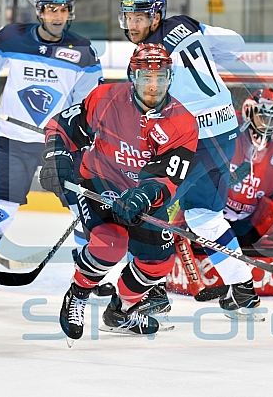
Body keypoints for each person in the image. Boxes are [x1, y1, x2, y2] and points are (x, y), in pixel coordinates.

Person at [0, 0, 103, 305]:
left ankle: (88, 276)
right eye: (52, 9)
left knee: (85, 211)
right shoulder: (12, 37)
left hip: (59, 144)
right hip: (14, 140)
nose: (58, 16)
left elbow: (91, 101)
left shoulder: (83, 52)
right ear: (39, 11)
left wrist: (83, 128)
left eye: (63, 10)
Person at [39, 43, 198, 343]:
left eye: (160, 77)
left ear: (170, 78)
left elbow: (167, 176)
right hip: (100, 182)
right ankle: (78, 294)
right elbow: (63, 126)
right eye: (145, 77)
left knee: (158, 263)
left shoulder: (183, 123)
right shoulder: (106, 98)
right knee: (110, 245)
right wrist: (56, 156)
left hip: (145, 196)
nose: (153, 86)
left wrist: (143, 196)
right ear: (132, 75)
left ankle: (121, 311)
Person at [118, 0, 261, 314]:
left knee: (143, 207)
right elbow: (236, 44)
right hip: (226, 132)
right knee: (204, 216)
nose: (132, 26)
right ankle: (243, 288)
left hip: (193, 140)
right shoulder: (188, 24)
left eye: (139, 18)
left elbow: (146, 108)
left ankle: (149, 291)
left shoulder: (149, 56)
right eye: (128, 18)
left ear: (156, 16)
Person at [224, 88, 273, 251]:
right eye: (262, 118)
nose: (266, 126)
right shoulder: (224, 128)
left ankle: (264, 252)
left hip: (250, 224)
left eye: (271, 120)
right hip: (214, 215)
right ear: (248, 112)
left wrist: (268, 230)